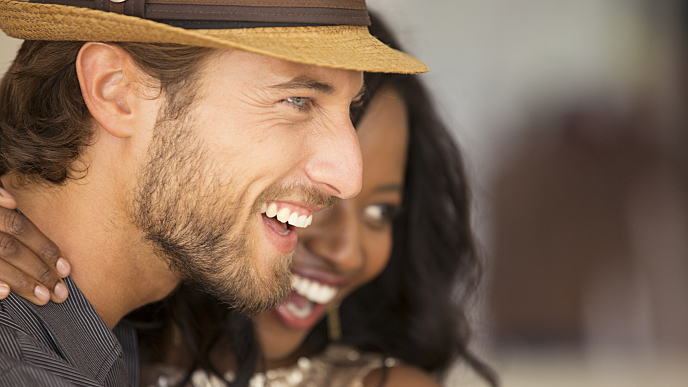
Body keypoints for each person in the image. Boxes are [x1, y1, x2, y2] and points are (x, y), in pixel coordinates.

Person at [0, 13, 495, 387]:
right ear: (117, 92)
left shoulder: (107, 346)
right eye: (297, 100)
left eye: (349, 108)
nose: (348, 176)